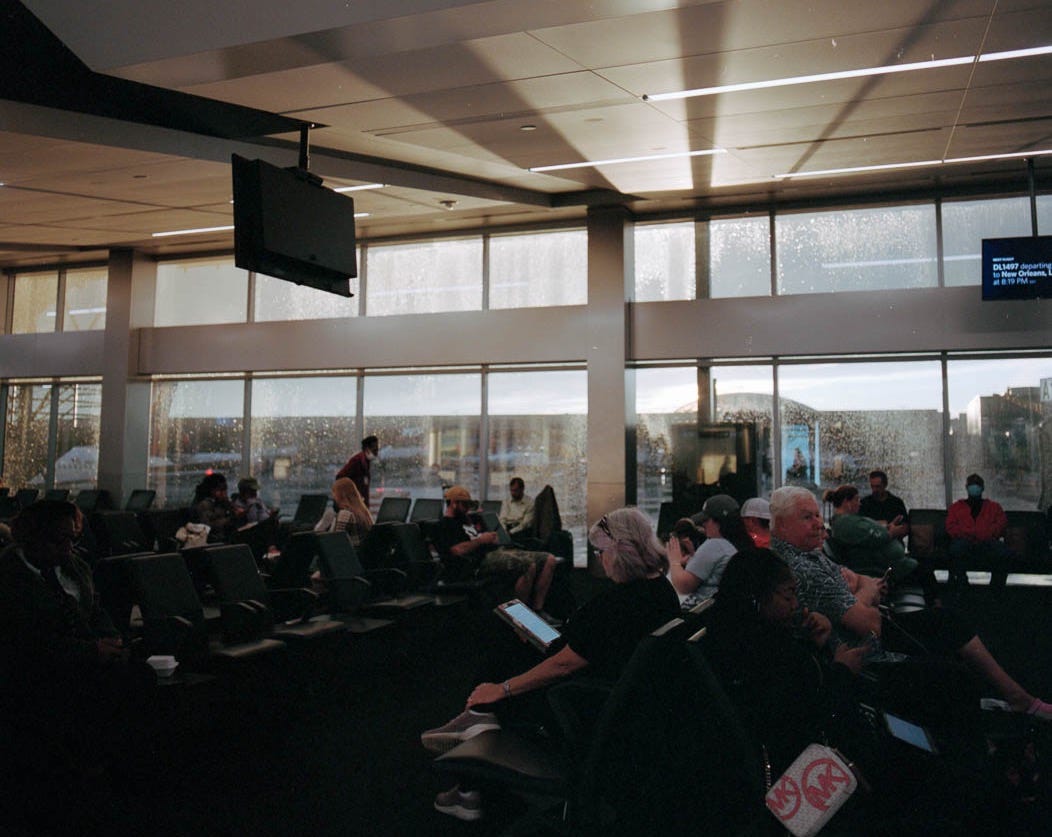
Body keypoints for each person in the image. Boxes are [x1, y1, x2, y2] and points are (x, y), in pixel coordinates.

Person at [421, 506, 679, 821]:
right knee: (511, 642)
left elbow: (565, 665)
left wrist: (501, 690)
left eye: (601, 552)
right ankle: (472, 747)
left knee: (499, 658)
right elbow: (587, 647)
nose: (600, 559)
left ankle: (474, 737)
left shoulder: (616, 605)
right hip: (619, 701)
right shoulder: (660, 592)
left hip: (577, 704)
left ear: (622, 552)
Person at [769, 485, 1052, 720]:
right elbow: (868, 621)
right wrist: (864, 592)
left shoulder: (810, 555)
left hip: (871, 635)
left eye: (818, 515)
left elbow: (860, 580)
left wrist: (860, 588)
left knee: (947, 623)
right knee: (954, 670)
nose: (819, 523)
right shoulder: (802, 567)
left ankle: (1016, 698)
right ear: (781, 525)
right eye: (808, 518)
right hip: (868, 658)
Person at [704, 548, 865, 776]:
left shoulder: (732, 635)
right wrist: (843, 671)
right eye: (788, 596)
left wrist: (812, 644)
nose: (795, 605)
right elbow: (808, 714)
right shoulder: (765, 652)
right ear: (756, 598)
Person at [432, 485, 557, 612]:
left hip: (493, 553)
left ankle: (538, 610)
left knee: (549, 560)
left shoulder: (467, 520)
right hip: (477, 562)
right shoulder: (445, 525)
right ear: (454, 503)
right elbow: (456, 550)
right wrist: (481, 540)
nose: (467, 509)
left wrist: (490, 539)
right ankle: (520, 615)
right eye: (465, 505)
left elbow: (480, 537)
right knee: (528, 565)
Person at [667, 494, 752, 609]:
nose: (703, 524)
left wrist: (674, 561)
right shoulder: (738, 544)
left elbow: (684, 585)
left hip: (702, 615)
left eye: (706, 520)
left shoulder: (715, 544)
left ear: (719, 522)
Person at [823, 484, 918, 583]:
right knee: (924, 570)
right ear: (847, 502)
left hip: (886, 564)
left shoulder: (847, 522)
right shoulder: (846, 523)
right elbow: (877, 536)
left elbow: (868, 534)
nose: (860, 503)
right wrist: (892, 533)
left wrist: (888, 528)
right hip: (884, 568)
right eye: (856, 499)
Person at [945, 473, 1010, 586]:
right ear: (966, 488)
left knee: (1002, 551)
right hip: (964, 542)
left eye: (977, 484)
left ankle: (997, 587)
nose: (974, 487)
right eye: (971, 485)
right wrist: (967, 534)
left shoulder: (994, 507)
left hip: (988, 542)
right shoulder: (956, 507)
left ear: (983, 488)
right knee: (955, 549)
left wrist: (985, 534)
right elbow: (950, 526)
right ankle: (961, 583)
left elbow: (1001, 525)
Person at [314, 477, 374, 549]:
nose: (334, 498)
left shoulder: (345, 514)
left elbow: (335, 542)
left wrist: (322, 526)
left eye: (334, 494)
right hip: (360, 555)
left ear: (340, 495)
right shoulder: (364, 512)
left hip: (348, 556)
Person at [859, 469, 909, 540]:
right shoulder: (865, 503)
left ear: (885, 485)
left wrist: (895, 532)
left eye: (878, 487)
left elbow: (906, 527)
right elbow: (860, 526)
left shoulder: (896, 502)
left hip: (893, 540)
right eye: (872, 486)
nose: (874, 490)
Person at [189, 472, 237, 542]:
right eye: (221, 490)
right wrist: (230, 519)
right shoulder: (204, 505)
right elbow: (207, 527)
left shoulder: (220, 503)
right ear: (212, 490)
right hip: (211, 539)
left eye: (225, 490)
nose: (224, 493)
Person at [335, 435, 379, 506]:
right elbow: (340, 477)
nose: (377, 453)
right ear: (367, 449)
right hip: (354, 504)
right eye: (375, 450)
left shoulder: (366, 462)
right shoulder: (356, 461)